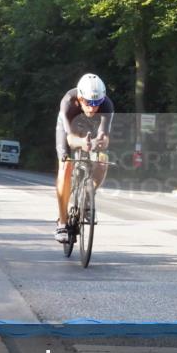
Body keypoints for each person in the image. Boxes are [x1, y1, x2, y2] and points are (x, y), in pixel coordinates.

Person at [54, 74, 113, 242]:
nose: (93, 108)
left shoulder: (106, 105)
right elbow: (70, 140)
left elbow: (105, 137)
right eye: (89, 103)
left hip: (92, 129)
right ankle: (62, 223)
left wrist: (99, 143)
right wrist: (82, 143)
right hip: (69, 130)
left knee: (102, 160)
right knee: (65, 167)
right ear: (80, 98)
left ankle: (88, 195)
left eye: (97, 103)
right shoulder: (68, 103)